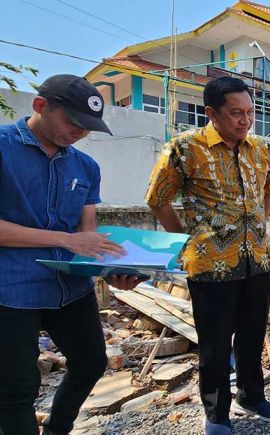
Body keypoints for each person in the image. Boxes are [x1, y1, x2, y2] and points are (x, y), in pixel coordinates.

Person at [0, 74, 142, 435]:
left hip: (70, 289)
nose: (79, 132)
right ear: (40, 106)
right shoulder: (3, 149)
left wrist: (115, 270)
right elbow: (72, 239)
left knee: (91, 363)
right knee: (16, 389)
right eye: (72, 122)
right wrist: (65, 240)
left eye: (88, 126)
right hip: (12, 290)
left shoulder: (85, 167)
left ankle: (58, 427)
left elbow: (86, 234)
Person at [145, 76, 270, 434]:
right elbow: (157, 199)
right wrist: (186, 240)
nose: (245, 120)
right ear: (212, 113)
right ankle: (217, 414)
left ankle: (252, 396)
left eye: (250, 112)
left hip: (258, 261)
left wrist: (256, 225)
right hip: (210, 266)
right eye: (236, 113)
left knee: (253, 334)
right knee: (215, 342)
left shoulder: (261, 149)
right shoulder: (184, 148)